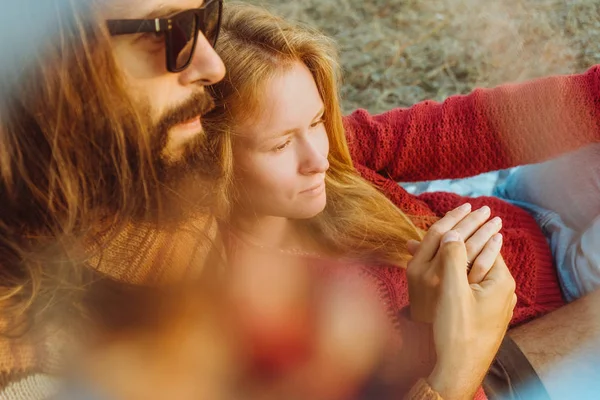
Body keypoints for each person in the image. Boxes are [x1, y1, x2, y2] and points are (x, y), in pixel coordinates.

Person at [0, 1, 515, 399]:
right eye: (164, 32)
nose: (210, 63)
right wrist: (451, 373)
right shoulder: (36, 371)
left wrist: (422, 337)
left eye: (206, 15)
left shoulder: (153, 177)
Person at [202, 2, 600, 398]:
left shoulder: (335, 149)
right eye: (280, 144)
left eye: (317, 120)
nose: (318, 159)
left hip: (521, 211)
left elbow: (474, 124)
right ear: (213, 161)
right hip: (534, 335)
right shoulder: (273, 313)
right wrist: (428, 324)